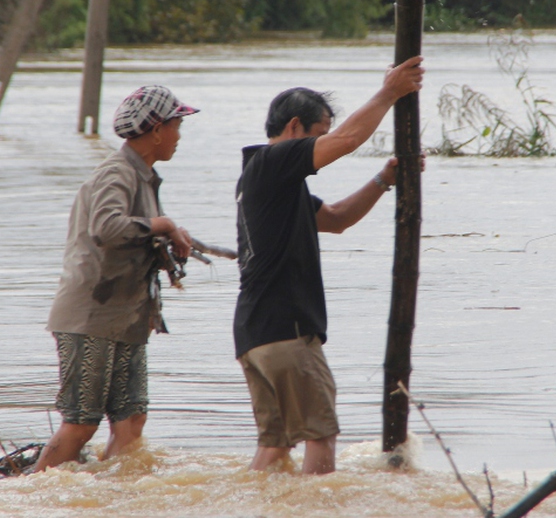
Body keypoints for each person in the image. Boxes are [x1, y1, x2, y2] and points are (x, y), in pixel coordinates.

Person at [233, 56, 425, 475]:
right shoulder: (275, 161)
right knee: (320, 435)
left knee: (275, 448)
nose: (320, 144)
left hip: (256, 334)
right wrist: (391, 91)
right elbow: (349, 139)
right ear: (295, 128)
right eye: (317, 135)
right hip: (287, 329)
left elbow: (336, 219)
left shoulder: (268, 179)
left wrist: (383, 179)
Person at [34, 86, 198, 472]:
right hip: (90, 318)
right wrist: (165, 223)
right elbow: (107, 228)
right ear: (156, 130)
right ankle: (26, 499)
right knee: (81, 423)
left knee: (131, 422)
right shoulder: (117, 172)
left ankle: (115, 501)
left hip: (125, 318)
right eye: (177, 125)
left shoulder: (144, 177)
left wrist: (168, 241)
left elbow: (131, 236)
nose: (179, 134)